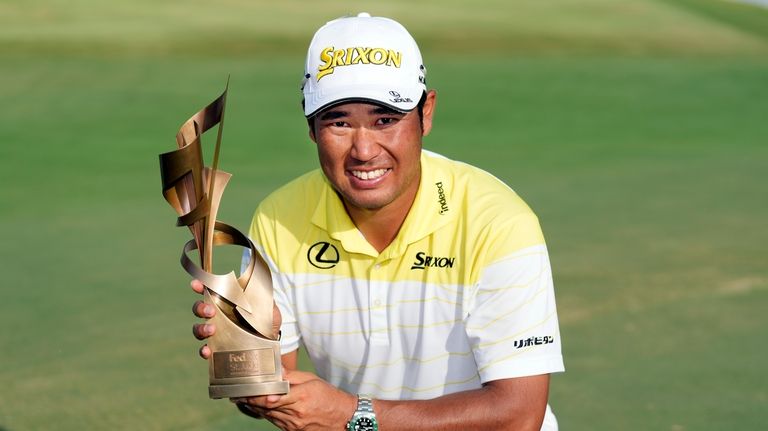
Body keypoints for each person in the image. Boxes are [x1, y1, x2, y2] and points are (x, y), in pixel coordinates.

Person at [191, 12, 564, 431]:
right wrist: (250, 359)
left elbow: (518, 415)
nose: (364, 150)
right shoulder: (278, 220)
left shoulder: (498, 223)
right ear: (311, 128)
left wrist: (354, 415)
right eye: (339, 122)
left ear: (426, 113)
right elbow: (274, 398)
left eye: (385, 119)